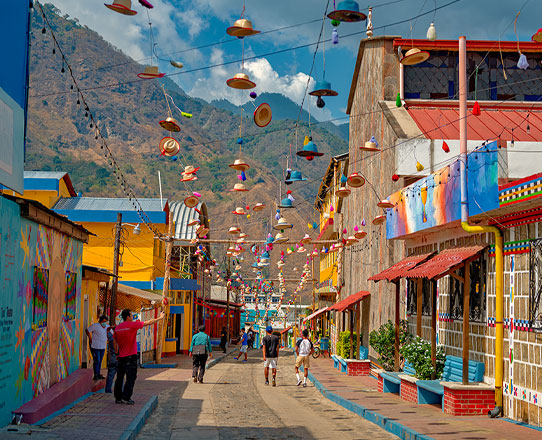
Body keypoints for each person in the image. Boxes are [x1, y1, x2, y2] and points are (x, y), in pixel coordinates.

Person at [113, 309, 164, 404]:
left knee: (119, 378)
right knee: (131, 377)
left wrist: (117, 353)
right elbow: (148, 322)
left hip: (121, 357)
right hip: (131, 356)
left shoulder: (118, 328)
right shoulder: (132, 325)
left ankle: (118, 397)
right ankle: (126, 397)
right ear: (128, 317)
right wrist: (160, 318)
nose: (132, 317)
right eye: (131, 315)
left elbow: (114, 341)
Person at [86, 315, 108, 380]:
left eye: (105, 321)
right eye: (103, 321)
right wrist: (90, 338)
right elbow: (87, 330)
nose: (104, 323)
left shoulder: (106, 327)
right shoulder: (95, 326)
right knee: (97, 360)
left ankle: (98, 374)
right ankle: (95, 374)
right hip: (95, 346)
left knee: (100, 360)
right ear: (100, 321)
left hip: (103, 346)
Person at [105, 325, 117, 393]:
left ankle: (108, 390)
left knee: (110, 376)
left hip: (112, 358)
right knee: (120, 377)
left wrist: (110, 328)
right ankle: (120, 391)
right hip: (120, 358)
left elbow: (107, 331)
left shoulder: (111, 338)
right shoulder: (121, 338)